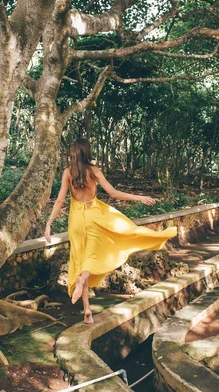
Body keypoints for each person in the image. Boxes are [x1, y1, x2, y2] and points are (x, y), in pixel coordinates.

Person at [44, 139, 177, 324]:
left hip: (75, 222)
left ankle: (87, 310)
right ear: (87, 152)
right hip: (94, 218)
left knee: (80, 259)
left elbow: (59, 201)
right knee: (90, 260)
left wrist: (49, 223)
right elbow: (113, 193)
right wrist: (139, 198)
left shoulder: (68, 172)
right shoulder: (94, 171)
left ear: (73, 153)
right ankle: (82, 281)